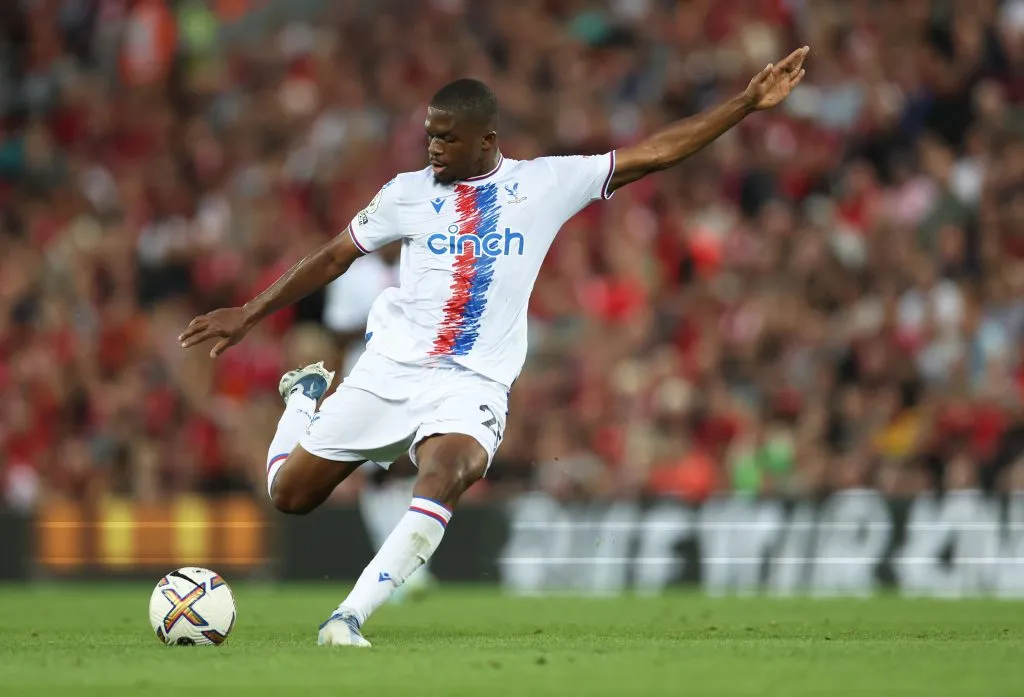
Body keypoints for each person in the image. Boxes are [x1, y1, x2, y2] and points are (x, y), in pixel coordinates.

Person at [179, 46, 809, 647]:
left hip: (472, 382)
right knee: (290, 497)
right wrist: (251, 312)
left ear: (487, 140)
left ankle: (348, 618)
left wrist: (745, 105)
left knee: (450, 469)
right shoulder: (407, 192)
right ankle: (304, 399)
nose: (433, 146)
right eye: (429, 133)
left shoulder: (544, 184)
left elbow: (653, 154)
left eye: (446, 137)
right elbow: (333, 256)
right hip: (390, 368)